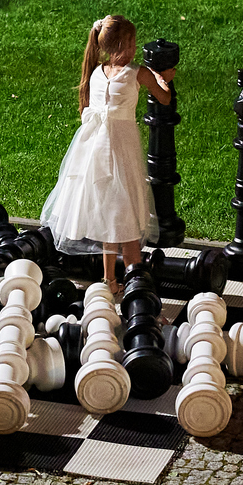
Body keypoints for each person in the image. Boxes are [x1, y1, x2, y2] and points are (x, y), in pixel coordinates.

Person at [41, 15, 176, 294]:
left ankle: (109, 280)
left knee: (108, 213)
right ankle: (136, 284)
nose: (134, 49)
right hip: (121, 150)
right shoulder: (139, 73)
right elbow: (164, 98)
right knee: (125, 216)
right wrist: (163, 79)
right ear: (119, 46)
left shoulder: (96, 73)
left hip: (94, 151)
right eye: (131, 43)